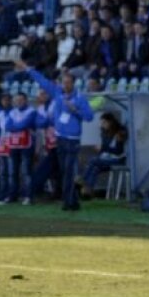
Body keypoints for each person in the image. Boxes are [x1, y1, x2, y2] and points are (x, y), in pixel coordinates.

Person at [14, 60, 94, 210]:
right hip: (60, 138)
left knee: (69, 170)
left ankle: (68, 202)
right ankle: (72, 201)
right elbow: (42, 81)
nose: (66, 85)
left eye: (68, 83)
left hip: (73, 140)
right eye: (64, 82)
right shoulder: (57, 93)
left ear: (73, 83)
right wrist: (28, 69)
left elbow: (89, 116)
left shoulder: (80, 99)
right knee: (65, 171)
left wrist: (75, 110)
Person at [81, 112, 128, 196]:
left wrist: (103, 148)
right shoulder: (104, 133)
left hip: (118, 159)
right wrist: (101, 149)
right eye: (101, 123)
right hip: (108, 158)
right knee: (95, 168)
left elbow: (118, 151)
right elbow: (105, 148)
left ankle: (83, 180)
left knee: (93, 160)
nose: (102, 125)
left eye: (104, 122)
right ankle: (88, 192)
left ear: (110, 122)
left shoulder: (119, 132)